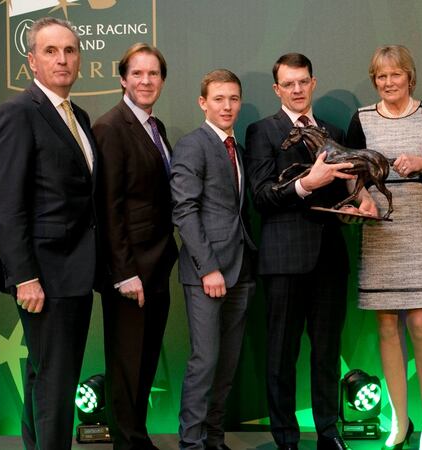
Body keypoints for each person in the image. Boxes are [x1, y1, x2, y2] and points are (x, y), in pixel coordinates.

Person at [0, 17, 98, 449]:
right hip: (44, 277)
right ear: (31, 60)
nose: (62, 59)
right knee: (55, 382)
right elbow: (5, 205)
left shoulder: (78, 115)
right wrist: (25, 277)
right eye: (50, 51)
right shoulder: (17, 113)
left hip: (75, 274)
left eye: (69, 50)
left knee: (45, 375)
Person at [245, 53, 358, 450]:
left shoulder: (332, 129)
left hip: (329, 259)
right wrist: (308, 183)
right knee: (281, 356)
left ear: (313, 82)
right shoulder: (262, 131)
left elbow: (348, 187)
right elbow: (260, 197)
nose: (297, 89)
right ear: (277, 89)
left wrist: (357, 205)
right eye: (288, 84)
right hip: (283, 261)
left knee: (327, 353)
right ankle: (286, 440)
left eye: (303, 82)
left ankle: (329, 433)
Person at [345, 45, 422, 450]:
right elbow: (351, 178)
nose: (389, 83)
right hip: (379, 230)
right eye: (381, 77)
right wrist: (361, 199)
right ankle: (399, 421)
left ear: (410, 76)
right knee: (387, 327)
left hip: (421, 226)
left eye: (396, 75)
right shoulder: (362, 120)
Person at [93, 43, 177, 450]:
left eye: (154, 74)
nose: (146, 81)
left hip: (158, 264)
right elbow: (107, 208)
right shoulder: (111, 127)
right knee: (127, 365)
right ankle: (127, 442)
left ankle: (137, 438)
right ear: (123, 79)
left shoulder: (154, 127)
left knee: (144, 363)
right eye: (138, 74)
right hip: (130, 271)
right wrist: (124, 272)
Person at [171, 69, 256, 450]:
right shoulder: (194, 145)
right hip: (208, 273)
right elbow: (184, 210)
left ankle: (215, 439)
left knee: (226, 365)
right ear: (203, 102)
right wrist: (209, 269)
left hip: (241, 270)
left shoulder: (237, 147)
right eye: (219, 99)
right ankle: (191, 443)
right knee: (204, 362)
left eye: (234, 99)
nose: (227, 106)